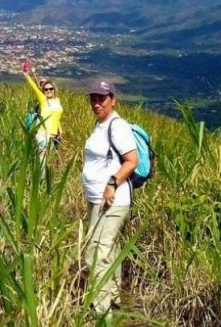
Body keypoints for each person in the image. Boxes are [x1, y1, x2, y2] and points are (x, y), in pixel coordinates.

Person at [82, 79, 138, 316]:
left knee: (95, 252)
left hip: (113, 200)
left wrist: (112, 184)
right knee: (109, 248)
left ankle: (101, 311)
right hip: (98, 199)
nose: (97, 103)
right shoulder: (100, 124)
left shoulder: (118, 126)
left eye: (102, 99)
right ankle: (113, 298)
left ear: (113, 100)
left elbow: (132, 160)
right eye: (93, 99)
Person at [21, 60, 63, 158]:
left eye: (51, 89)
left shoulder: (57, 100)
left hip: (53, 135)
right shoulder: (43, 99)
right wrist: (26, 74)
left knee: (46, 160)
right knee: (42, 163)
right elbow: (35, 87)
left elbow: (56, 117)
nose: (48, 91)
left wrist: (60, 130)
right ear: (43, 90)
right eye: (46, 89)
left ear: (54, 89)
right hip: (43, 135)